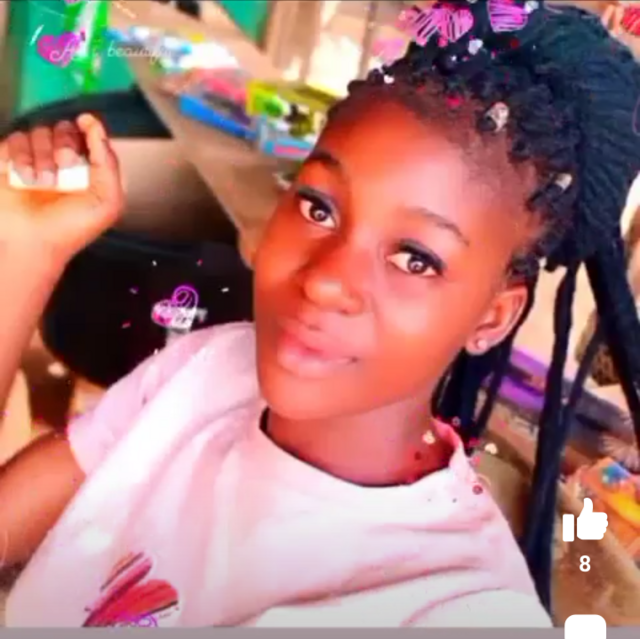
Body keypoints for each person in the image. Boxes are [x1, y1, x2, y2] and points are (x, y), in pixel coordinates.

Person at [1, 0, 639, 627]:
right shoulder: (207, 372)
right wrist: (26, 249)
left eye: (415, 259)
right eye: (319, 208)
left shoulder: (454, 610)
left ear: (492, 318)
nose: (326, 281)